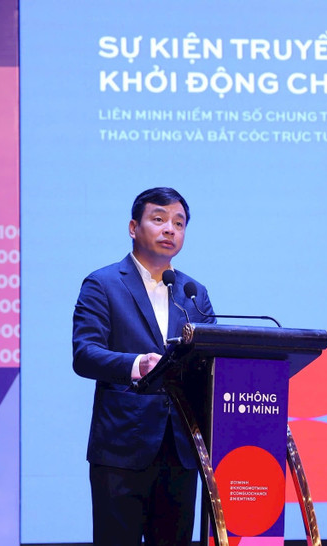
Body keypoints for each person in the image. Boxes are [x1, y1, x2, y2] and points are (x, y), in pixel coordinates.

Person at [72, 187, 215, 546]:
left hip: (181, 448)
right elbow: (84, 354)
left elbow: (211, 360)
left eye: (179, 223)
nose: (170, 229)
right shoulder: (102, 284)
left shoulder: (193, 293)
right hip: (122, 446)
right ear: (134, 227)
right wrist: (137, 364)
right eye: (159, 219)